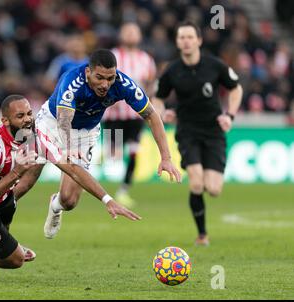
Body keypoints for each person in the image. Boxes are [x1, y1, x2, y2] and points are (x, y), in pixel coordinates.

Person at [0, 95, 141, 272]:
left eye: (28, 114)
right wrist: (17, 172)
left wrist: (107, 200)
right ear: (5, 121)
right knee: (16, 260)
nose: (27, 119)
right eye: (20, 116)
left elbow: (73, 170)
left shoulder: (34, 136)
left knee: (6, 235)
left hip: (4, 198)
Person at [13, 49, 182, 240]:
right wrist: (68, 148)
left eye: (110, 78)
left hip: (85, 132)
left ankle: (55, 205)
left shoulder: (123, 84)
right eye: (99, 77)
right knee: (25, 182)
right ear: (88, 72)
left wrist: (166, 157)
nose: (105, 84)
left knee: (69, 201)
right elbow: (64, 120)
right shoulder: (72, 81)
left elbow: (151, 115)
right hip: (53, 123)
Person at [152, 21, 243, 246]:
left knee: (213, 189)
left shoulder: (215, 65)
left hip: (213, 131)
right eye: (181, 37)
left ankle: (204, 200)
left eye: (190, 37)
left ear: (199, 40)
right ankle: (202, 235)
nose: (186, 41)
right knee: (195, 184)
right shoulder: (172, 71)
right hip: (188, 131)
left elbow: (236, 88)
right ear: (177, 42)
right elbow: (158, 98)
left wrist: (229, 115)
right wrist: (163, 113)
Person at [102, 22, 157, 208]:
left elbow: (150, 85)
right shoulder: (113, 56)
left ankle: (124, 190)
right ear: (121, 35)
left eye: (135, 31)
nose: (131, 34)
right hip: (114, 115)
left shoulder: (146, 59)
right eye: (128, 31)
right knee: (112, 155)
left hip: (135, 116)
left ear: (140, 36)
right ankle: (86, 179)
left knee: (134, 152)